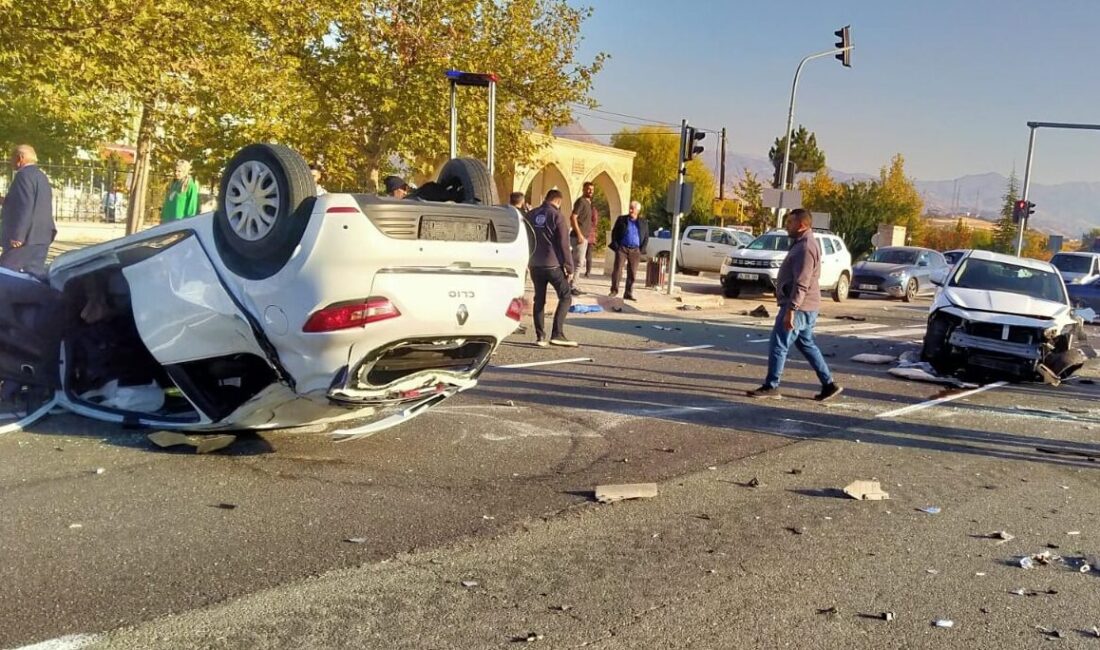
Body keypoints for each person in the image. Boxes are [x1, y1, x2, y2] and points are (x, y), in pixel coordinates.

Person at [747, 208, 843, 401]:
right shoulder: (802, 243)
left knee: (778, 344)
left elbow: (802, 282)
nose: (786, 226)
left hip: (799, 306)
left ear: (802, 225)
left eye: (790, 222)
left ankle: (771, 386)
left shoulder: (806, 247)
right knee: (806, 344)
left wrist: (792, 309)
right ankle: (829, 384)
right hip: (806, 306)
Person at [525, 189, 577, 347]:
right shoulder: (557, 216)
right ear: (558, 202)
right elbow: (563, 244)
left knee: (539, 299)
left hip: (535, 264)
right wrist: (569, 266)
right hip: (552, 264)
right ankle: (557, 333)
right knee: (565, 296)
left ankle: (540, 336)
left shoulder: (531, 215)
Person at [0, 145, 55, 279]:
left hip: (26, 238)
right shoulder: (40, 176)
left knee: (5, 272)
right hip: (41, 236)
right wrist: (5, 201)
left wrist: (18, 235)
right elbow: (32, 203)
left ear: (20, 158)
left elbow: (24, 206)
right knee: (34, 276)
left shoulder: (23, 176)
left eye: (12, 158)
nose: (10, 161)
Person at [608, 201, 648, 301]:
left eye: (632, 208)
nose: (630, 210)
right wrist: (617, 246)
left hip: (635, 250)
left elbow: (646, 236)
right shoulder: (622, 219)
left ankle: (628, 293)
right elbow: (614, 233)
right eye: (630, 208)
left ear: (638, 210)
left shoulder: (643, 222)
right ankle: (614, 290)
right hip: (622, 248)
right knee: (617, 270)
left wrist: (641, 249)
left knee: (632, 273)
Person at [568, 181, 595, 296]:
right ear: (583, 189)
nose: (590, 191)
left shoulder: (588, 203)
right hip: (579, 237)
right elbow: (573, 217)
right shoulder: (581, 202)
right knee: (578, 263)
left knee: (578, 262)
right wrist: (579, 234)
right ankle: (572, 286)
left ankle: (573, 284)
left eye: (592, 189)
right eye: (588, 189)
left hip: (585, 237)